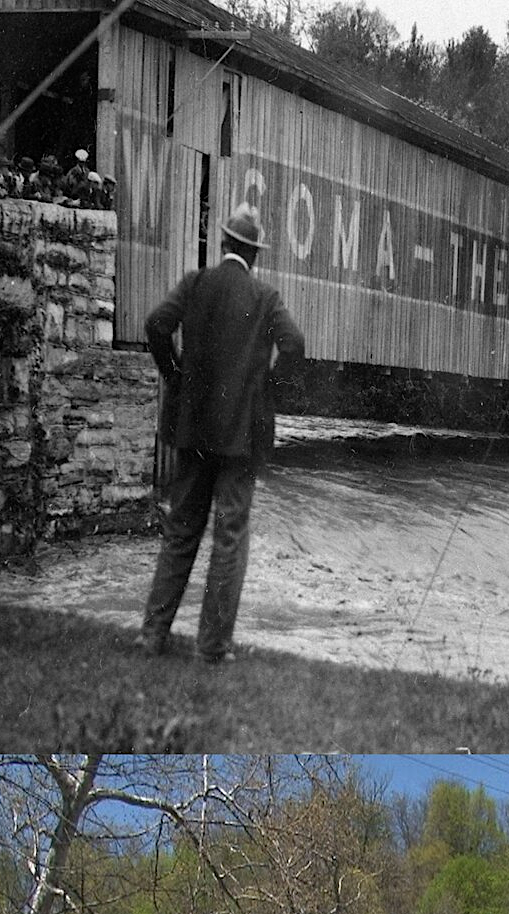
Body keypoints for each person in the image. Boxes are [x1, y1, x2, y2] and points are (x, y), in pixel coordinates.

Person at [137, 200, 304, 662]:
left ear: (225, 243)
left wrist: (175, 376)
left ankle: (153, 635)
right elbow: (294, 344)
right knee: (229, 536)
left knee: (180, 531)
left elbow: (156, 324)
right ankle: (212, 647)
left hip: (192, 429)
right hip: (241, 435)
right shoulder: (265, 297)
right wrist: (265, 390)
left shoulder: (195, 283)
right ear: (254, 254)